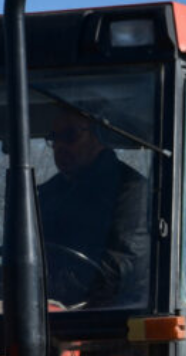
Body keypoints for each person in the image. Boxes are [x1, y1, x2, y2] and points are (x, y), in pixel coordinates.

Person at [37, 108, 149, 307]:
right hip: (48, 311)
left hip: (114, 315)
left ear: (99, 136)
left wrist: (45, 290)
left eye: (70, 136)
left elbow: (122, 265)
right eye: (54, 138)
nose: (59, 146)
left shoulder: (131, 190)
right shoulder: (45, 194)